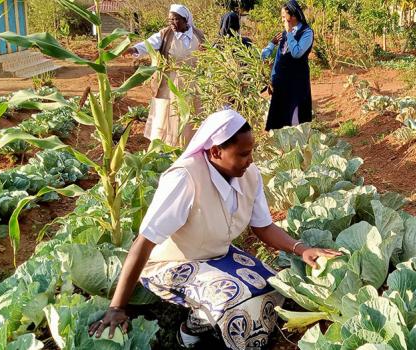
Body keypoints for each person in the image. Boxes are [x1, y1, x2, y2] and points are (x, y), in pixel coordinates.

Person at [88, 109, 341, 349]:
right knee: (239, 300)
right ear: (216, 152)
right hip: (172, 263)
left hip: (217, 255)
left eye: (251, 152)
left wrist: (302, 249)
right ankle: (189, 333)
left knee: (272, 286)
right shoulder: (185, 179)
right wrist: (117, 307)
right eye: (242, 154)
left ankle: (215, 324)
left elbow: (263, 227)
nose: (249, 160)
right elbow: (144, 242)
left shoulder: (249, 175)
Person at [125, 4, 204, 147]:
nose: (172, 23)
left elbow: (209, 55)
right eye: (170, 20)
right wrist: (133, 49)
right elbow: (148, 44)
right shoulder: (165, 35)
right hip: (171, 84)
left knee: (192, 116)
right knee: (171, 117)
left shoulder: (198, 35)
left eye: (175, 19)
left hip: (194, 84)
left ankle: (190, 146)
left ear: (186, 20)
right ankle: (170, 147)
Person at [261, 0, 314, 131]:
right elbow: (277, 57)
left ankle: (298, 147)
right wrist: (272, 79)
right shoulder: (284, 33)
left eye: (284, 17)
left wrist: (290, 33)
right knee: (279, 120)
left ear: (294, 16)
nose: (282, 20)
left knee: (295, 118)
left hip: (296, 82)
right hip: (281, 83)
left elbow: (297, 53)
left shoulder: (307, 32)